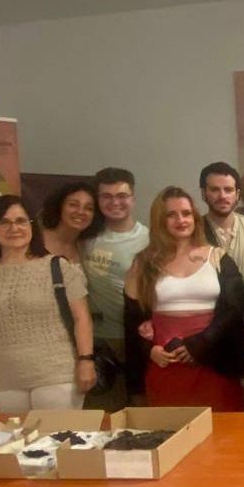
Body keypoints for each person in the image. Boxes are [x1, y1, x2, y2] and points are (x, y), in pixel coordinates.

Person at [0, 196, 96, 412]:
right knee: (13, 444)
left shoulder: (58, 267)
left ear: (32, 226)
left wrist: (86, 361)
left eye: (21, 221)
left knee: (60, 442)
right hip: (1, 379)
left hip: (57, 374)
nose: (14, 228)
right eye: (4, 222)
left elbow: (82, 319)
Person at [126, 187, 244, 410]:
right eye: (171, 214)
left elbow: (235, 309)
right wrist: (150, 350)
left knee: (223, 433)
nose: (180, 220)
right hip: (165, 362)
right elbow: (132, 319)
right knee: (169, 433)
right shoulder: (143, 262)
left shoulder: (218, 257)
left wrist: (201, 344)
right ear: (159, 220)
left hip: (214, 360)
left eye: (186, 213)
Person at [82, 167, 148, 410]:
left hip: (135, 339)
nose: (115, 202)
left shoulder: (149, 240)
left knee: (139, 413)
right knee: (100, 415)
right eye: (106, 196)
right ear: (97, 199)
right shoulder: (85, 237)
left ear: (133, 198)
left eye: (121, 196)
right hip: (96, 341)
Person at [199, 161, 244, 284]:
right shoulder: (194, 231)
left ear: (237, 194)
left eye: (228, 190)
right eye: (215, 190)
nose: (222, 196)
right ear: (203, 193)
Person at [38, 180, 103, 263]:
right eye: (73, 205)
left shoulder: (87, 249)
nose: (81, 212)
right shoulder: (35, 240)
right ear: (59, 206)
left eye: (88, 208)